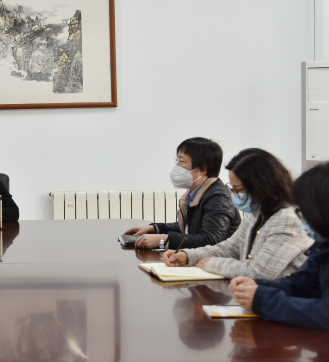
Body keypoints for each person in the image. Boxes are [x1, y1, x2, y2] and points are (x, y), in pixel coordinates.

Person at [163, 149, 312, 280]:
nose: (234, 194)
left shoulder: (289, 219)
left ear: (261, 186)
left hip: (284, 298)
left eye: (238, 189)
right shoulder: (257, 212)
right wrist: (187, 255)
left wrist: (212, 263)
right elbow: (231, 247)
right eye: (232, 188)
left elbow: (259, 272)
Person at [230, 161, 329, 330]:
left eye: (305, 211)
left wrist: (262, 299)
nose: (302, 218)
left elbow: (325, 314)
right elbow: (301, 284)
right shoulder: (324, 245)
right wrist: (257, 286)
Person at [123, 137, 240, 249]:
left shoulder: (218, 197)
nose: (177, 166)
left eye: (181, 161)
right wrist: (154, 228)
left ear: (203, 169)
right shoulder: (196, 192)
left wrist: (164, 240)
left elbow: (210, 240)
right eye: (177, 160)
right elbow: (187, 227)